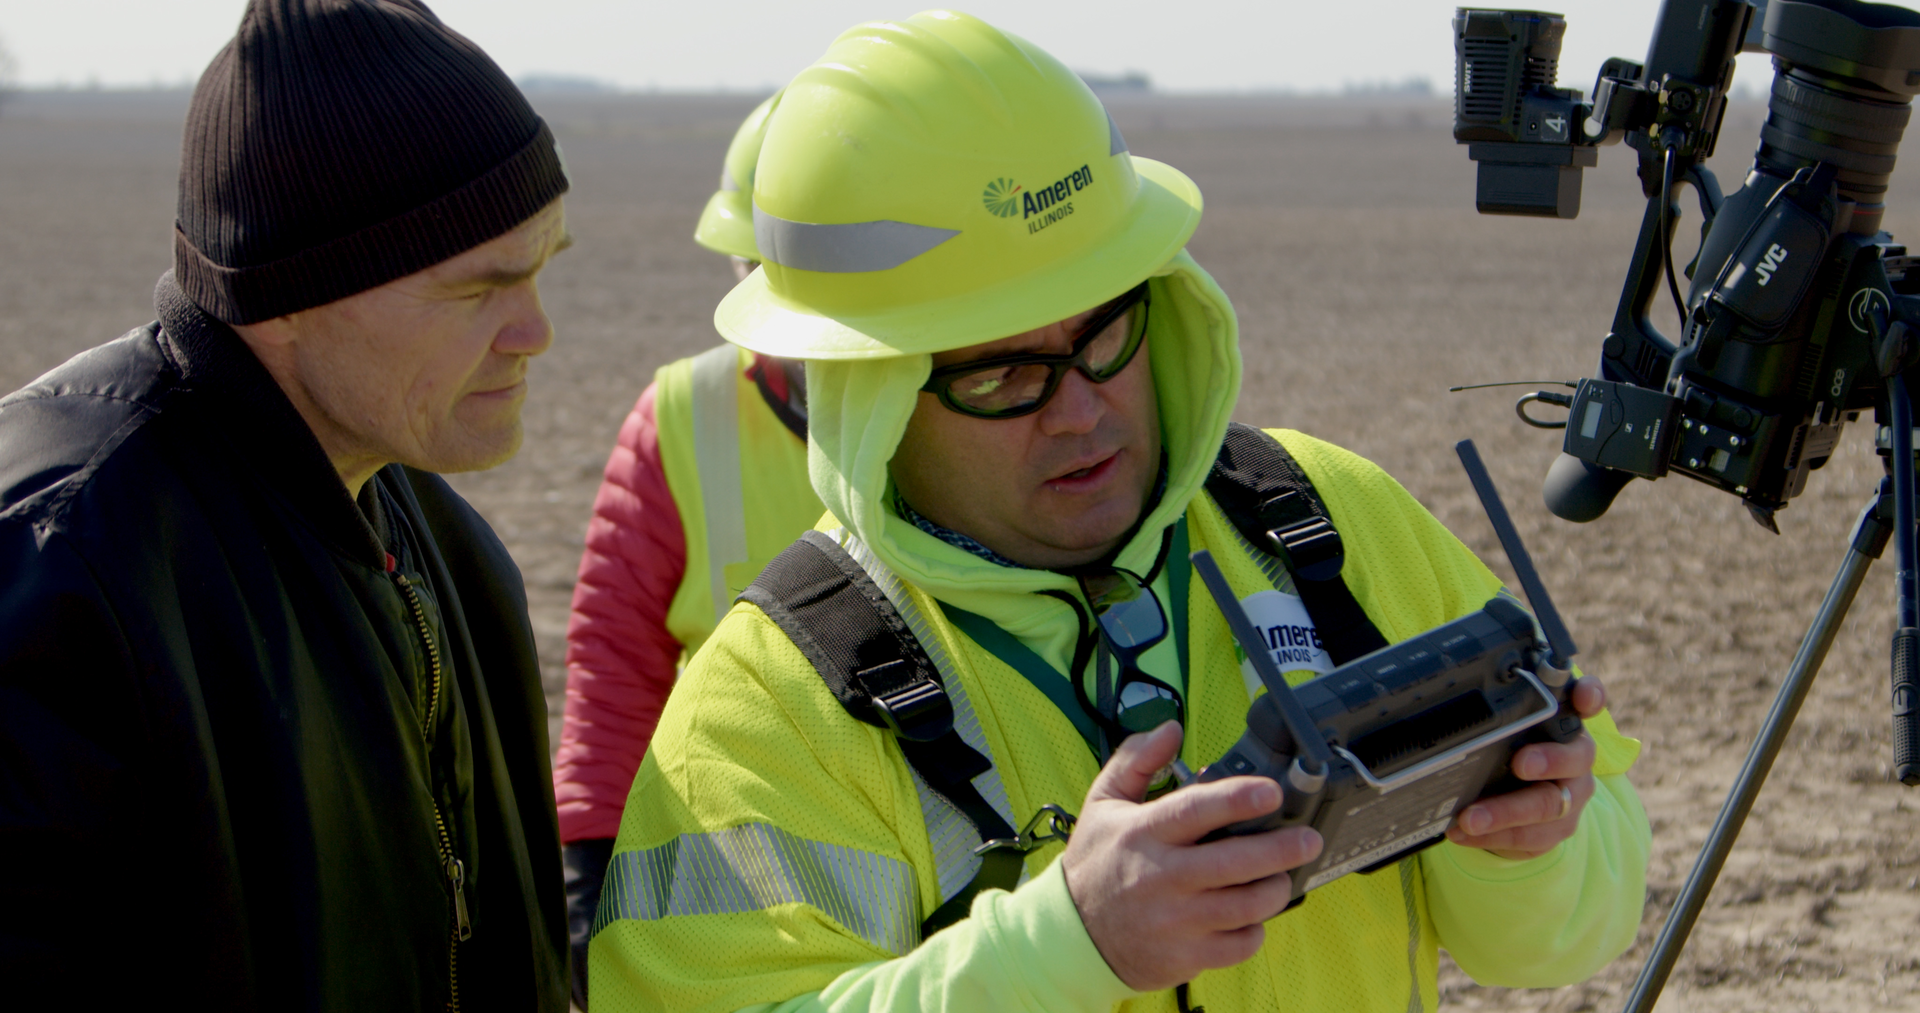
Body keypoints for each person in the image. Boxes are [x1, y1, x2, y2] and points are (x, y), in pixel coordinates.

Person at [588, 10, 1652, 1013]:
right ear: (873, 397)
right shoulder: (768, 708)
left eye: (1106, 331)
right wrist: (1067, 945)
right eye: (1002, 374)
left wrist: (1531, 843)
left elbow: (1560, 934)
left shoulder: (1326, 522)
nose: (1083, 411)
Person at [0, 1, 572, 1007]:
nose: (535, 331)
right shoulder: (58, 564)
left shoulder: (446, 543)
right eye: (478, 287)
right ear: (291, 290)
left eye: (542, 268)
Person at [552, 88, 827, 1008]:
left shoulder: (980, 411)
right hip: (741, 907)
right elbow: (615, 662)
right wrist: (591, 873)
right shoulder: (687, 417)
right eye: (750, 267)